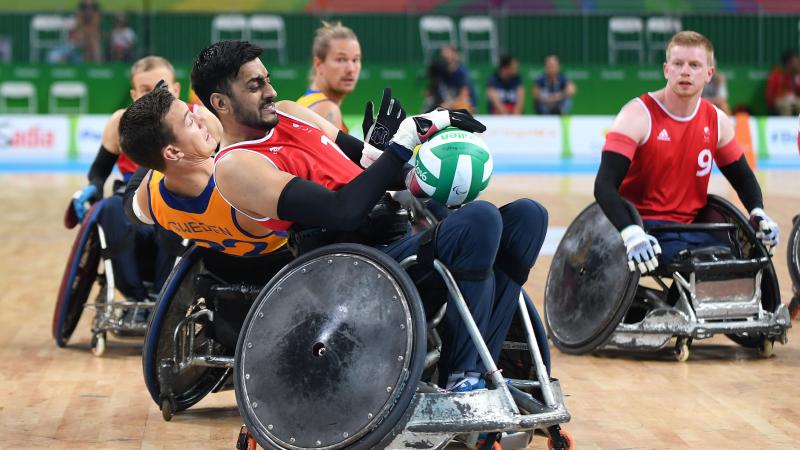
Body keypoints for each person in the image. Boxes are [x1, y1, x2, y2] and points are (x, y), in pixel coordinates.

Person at [172, 41, 547, 400]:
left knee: (529, 216)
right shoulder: (236, 165)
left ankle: (483, 371)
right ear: (220, 102)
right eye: (255, 86)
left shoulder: (289, 110)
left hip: (394, 247)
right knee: (480, 220)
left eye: (267, 79)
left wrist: (432, 161)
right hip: (350, 273)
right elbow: (342, 210)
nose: (269, 90)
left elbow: (371, 165)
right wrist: (400, 145)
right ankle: (460, 378)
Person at [594, 30, 779, 274]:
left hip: (692, 229)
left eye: (694, 65)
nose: (685, 71)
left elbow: (743, 177)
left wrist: (757, 211)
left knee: (749, 262)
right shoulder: (636, 115)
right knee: (699, 267)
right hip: (642, 226)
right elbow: (604, 186)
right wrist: (630, 232)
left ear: (709, 74)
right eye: (678, 63)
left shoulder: (717, 121)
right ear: (666, 70)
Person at [70, 56, 220, 310]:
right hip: (132, 195)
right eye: (144, 90)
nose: (152, 95)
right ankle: (135, 297)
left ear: (175, 90)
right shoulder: (120, 122)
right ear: (133, 94)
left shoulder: (201, 119)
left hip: (180, 194)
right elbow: (99, 171)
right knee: (109, 208)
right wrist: (92, 188)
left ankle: (164, 298)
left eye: (160, 88)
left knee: (177, 211)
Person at [297, 21, 361, 132]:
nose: (351, 69)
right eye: (341, 59)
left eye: (355, 59)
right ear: (318, 64)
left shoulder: (306, 104)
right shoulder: (326, 109)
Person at [424, 46, 476, 113]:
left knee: (463, 105)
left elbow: (464, 94)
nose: (444, 57)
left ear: (455, 56)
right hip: (442, 102)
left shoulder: (461, 72)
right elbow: (428, 93)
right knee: (429, 102)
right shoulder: (440, 71)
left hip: (457, 101)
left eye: (447, 55)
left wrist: (448, 104)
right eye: (443, 56)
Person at [766, 49, 800, 116]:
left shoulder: (796, 75)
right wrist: (783, 98)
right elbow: (770, 94)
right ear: (788, 63)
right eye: (795, 62)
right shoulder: (777, 74)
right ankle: (788, 126)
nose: (797, 64)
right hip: (780, 100)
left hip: (794, 99)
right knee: (786, 106)